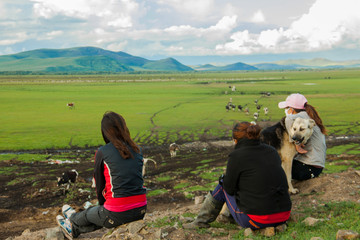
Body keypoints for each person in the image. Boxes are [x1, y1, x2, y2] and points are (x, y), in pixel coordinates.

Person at [183, 122, 292, 230]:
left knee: (222, 185)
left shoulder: (237, 156)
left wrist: (224, 180)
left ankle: (200, 221)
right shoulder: (272, 151)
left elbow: (228, 189)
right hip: (283, 215)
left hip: (257, 220)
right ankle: (226, 216)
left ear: (235, 140)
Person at [56, 111, 147, 239]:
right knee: (100, 217)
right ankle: (73, 229)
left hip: (117, 211)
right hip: (141, 209)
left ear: (105, 132)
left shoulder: (102, 152)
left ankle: (72, 218)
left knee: (89, 215)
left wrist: (102, 205)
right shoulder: (138, 149)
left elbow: (100, 185)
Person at [278, 93, 327, 180]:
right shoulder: (308, 117)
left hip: (309, 168)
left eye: (287, 109)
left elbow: (288, 119)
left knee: (275, 166)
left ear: (291, 109)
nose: (286, 111)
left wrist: (294, 141)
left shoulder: (302, 117)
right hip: (314, 167)